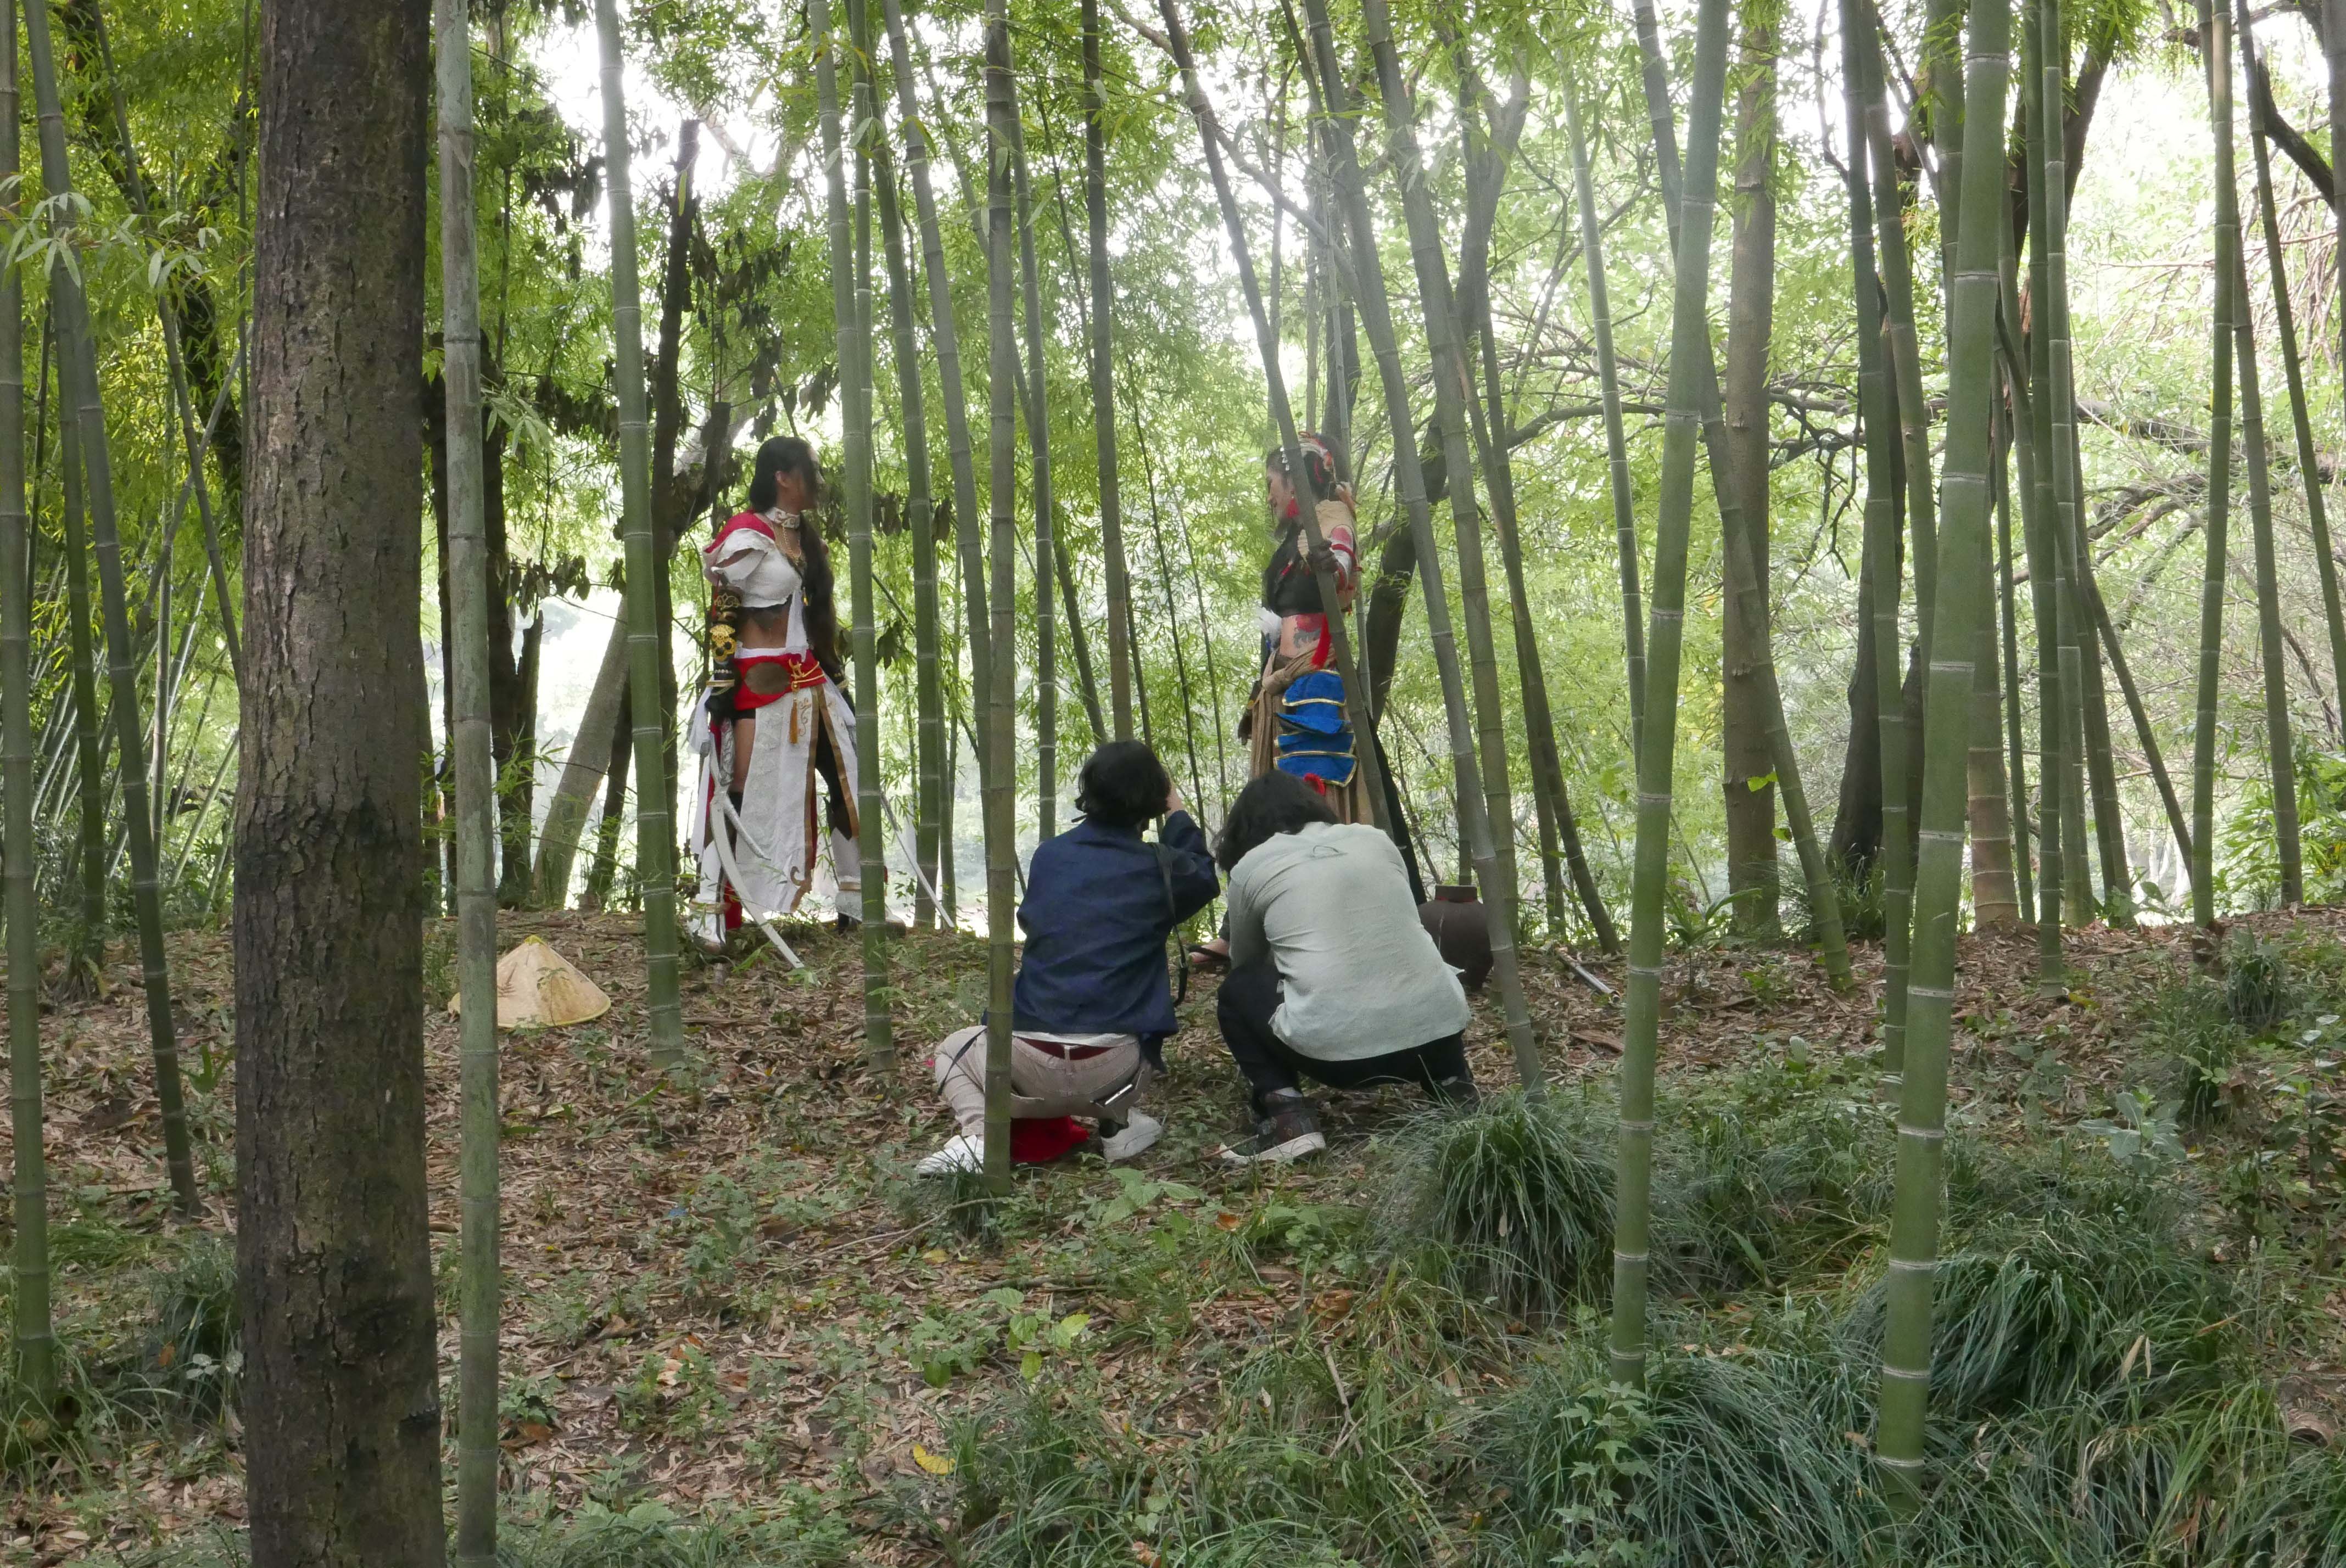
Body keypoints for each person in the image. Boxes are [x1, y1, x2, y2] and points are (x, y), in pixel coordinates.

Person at [920, 741, 1220, 1175]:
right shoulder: (1162, 867)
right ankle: (1117, 1127)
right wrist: (1175, 811)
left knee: (951, 1050)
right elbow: (1205, 877)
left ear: (1089, 795)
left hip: (1023, 1064)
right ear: (1152, 801)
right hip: (1118, 1070)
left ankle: (979, 1137)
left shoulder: (1051, 856)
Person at [1213, 771, 1477, 1164]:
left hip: (1336, 1063)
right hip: (1435, 1038)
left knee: (1237, 991)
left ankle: (1288, 1122)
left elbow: (1247, 962)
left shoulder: (1251, 867)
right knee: (1412, 962)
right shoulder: (1376, 841)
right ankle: (1456, 1091)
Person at [690, 435, 864, 944]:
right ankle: (707, 911)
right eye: (810, 468)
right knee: (737, 791)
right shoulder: (747, 535)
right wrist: (723, 681)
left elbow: (813, 619)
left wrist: (837, 677)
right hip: (757, 684)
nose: (820, 478)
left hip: (810, 679)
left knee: (849, 785)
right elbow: (722, 612)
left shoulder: (805, 538)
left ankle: (856, 902)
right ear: (782, 478)